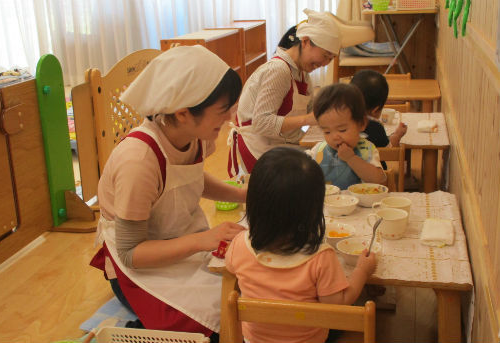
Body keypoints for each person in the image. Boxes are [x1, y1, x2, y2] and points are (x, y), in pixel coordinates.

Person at [89, 45, 247, 339]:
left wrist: (243, 194)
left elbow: (192, 178)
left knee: (244, 296)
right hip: (140, 268)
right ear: (184, 113)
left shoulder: (195, 136)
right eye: (222, 111)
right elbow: (130, 253)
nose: (228, 119)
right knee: (217, 326)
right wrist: (204, 239)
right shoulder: (139, 160)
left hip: (180, 243)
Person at [225, 147, 377, 343]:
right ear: (312, 212)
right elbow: (338, 303)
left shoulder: (240, 244)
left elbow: (230, 267)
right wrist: (362, 271)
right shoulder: (321, 258)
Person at [228, 9, 355, 178]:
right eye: (325, 56)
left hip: (283, 143)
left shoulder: (303, 74)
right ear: (306, 41)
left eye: (330, 59)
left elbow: (314, 113)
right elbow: (261, 123)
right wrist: (307, 119)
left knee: (333, 159)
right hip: (260, 148)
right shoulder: (278, 70)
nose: (324, 63)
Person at [311, 83, 387, 190]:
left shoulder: (366, 149)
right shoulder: (318, 151)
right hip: (328, 204)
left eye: (342, 130)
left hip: (359, 203)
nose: (334, 137)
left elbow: (378, 180)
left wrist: (351, 158)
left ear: (361, 124)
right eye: (327, 132)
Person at [350, 69, 407, 152]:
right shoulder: (376, 127)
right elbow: (388, 150)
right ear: (375, 110)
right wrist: (397, 135)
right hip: (372, 164)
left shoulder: (340, 119)